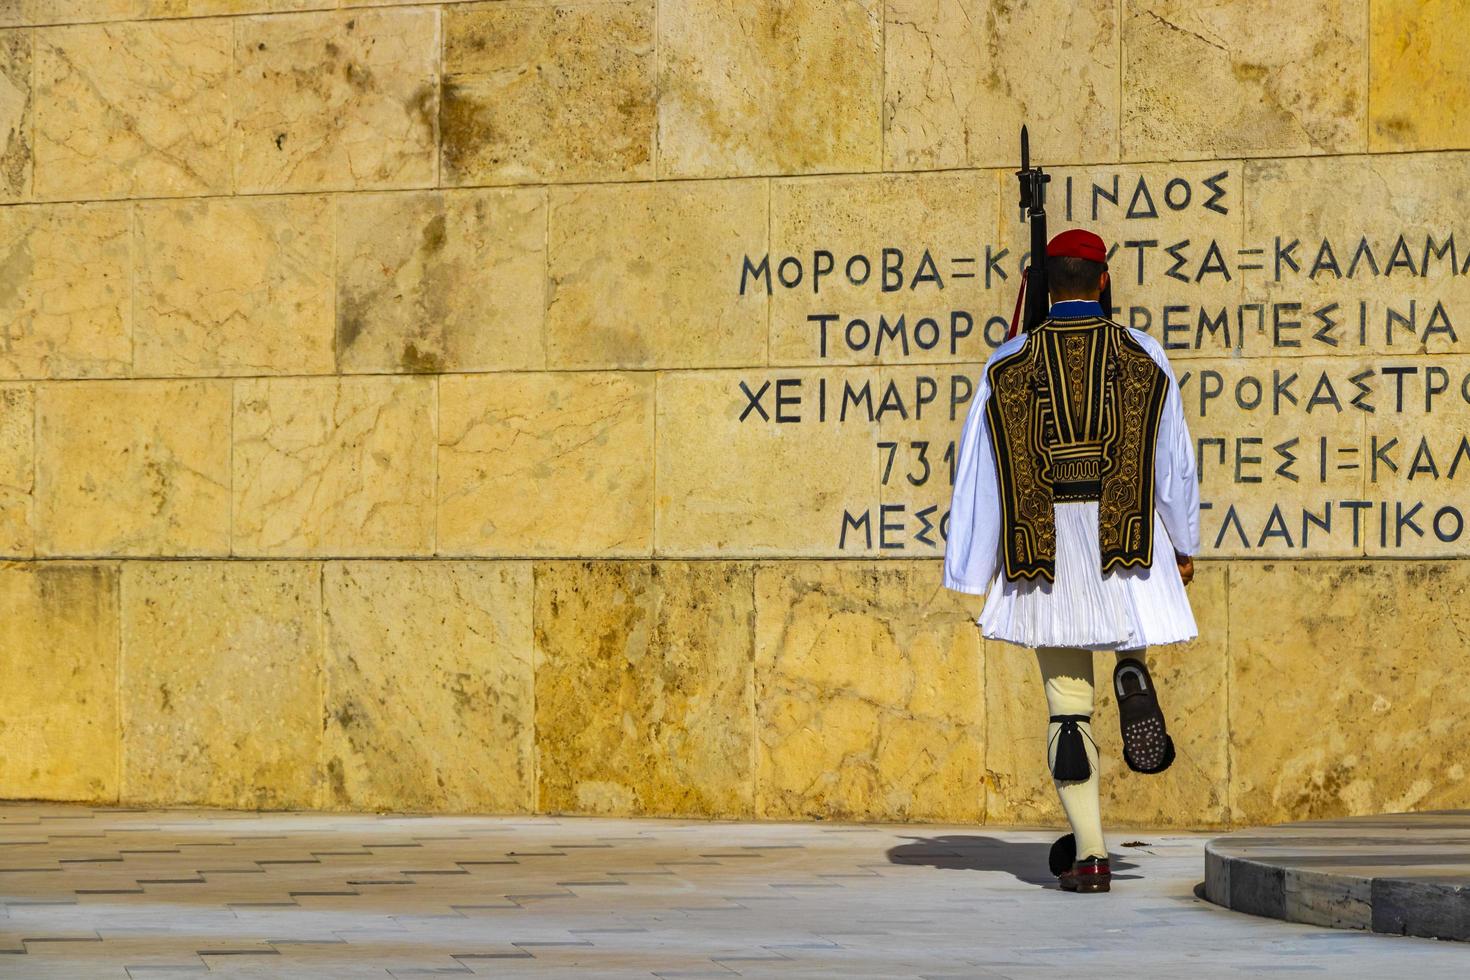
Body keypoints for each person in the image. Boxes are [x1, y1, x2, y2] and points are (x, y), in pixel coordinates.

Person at [942, 228, 1200, 894]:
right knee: (1126, 621)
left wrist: (974, 568)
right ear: (1104, 280)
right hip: (1129, 539)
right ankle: (1133, 664)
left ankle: (1089, 855)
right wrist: (1185, 541)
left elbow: (981, 474)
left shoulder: (1008, 364)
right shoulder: (1145, 355)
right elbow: (1174, 461)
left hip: (1043, 550)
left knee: (1066, 712)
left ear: (1045, 284)